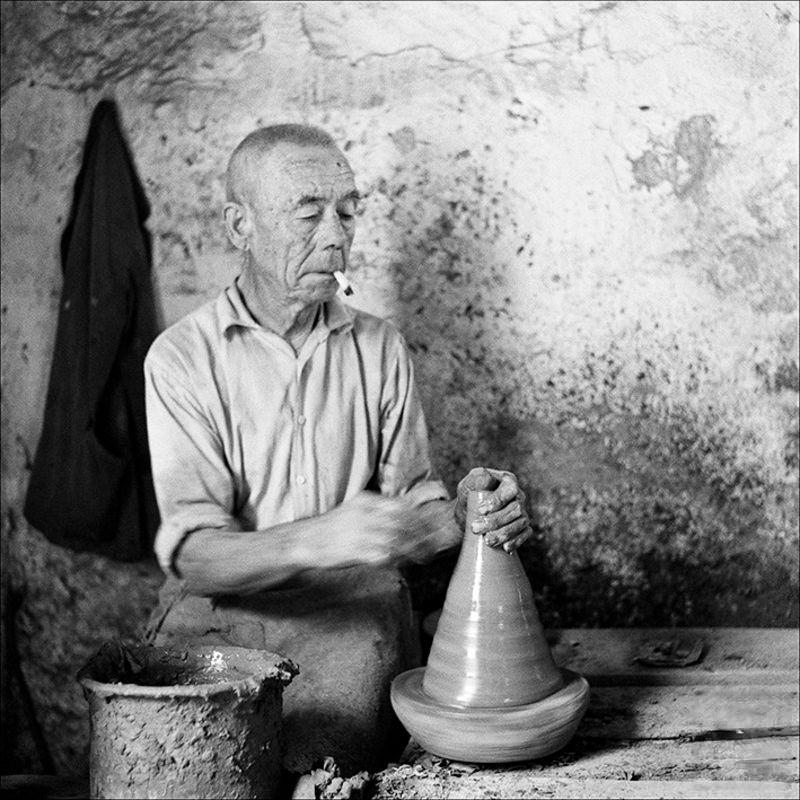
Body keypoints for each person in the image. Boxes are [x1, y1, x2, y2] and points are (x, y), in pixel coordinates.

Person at [143, 123, 532, 774]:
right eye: (308, 213)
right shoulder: (182, 358)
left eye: (348, 212)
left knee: (320, 768)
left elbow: (417, 509)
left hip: (350, 621)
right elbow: (197, 560)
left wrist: (465, 516)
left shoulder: (378, 348)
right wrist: (319, 539)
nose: (336, 236)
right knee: (194, 769)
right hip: (218, 622)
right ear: (240, 225)